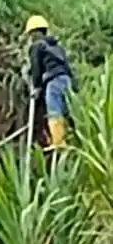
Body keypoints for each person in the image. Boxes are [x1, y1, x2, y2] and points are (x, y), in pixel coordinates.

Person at [26, 15, 73, 151]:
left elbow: (36, 68)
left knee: (54, 109)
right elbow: (66, 66)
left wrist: (36, 87)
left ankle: (58, 141)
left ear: (34, 33)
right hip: (66, 79)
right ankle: (68, 138)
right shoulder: (57, 47)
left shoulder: (37, 46)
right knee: (65, 110)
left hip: (53, 80)